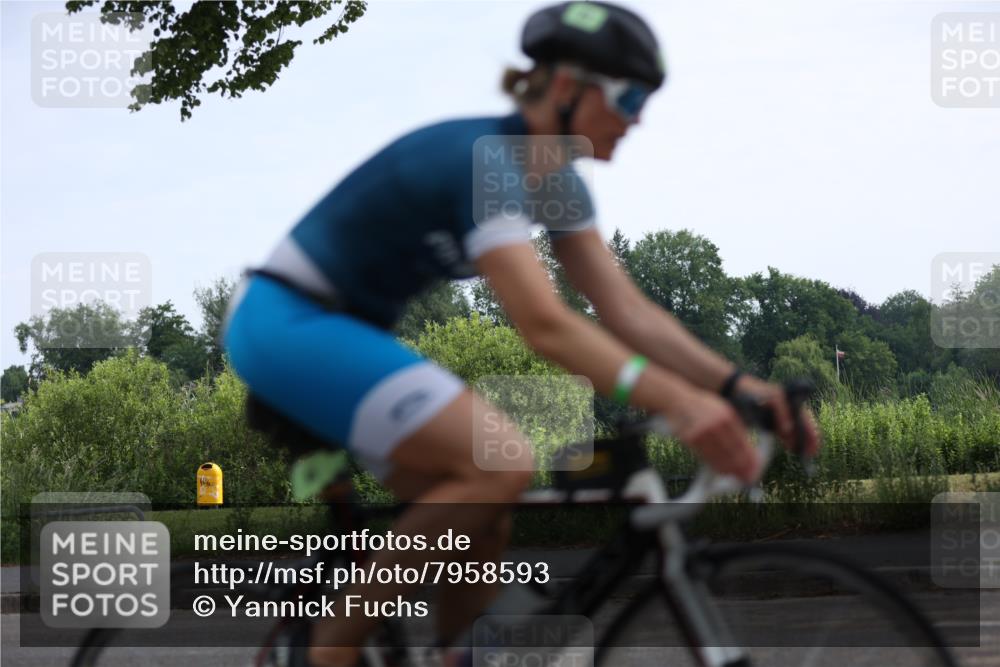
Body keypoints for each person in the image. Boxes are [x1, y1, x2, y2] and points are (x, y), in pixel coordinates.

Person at [222, 2, 820, 666]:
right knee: (497, 458)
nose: (639, 115)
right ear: (565, 87)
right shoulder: (488, 164)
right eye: (629, 94)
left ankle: (458, 654)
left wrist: (742, 388)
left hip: (344, 334)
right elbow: (545, 324)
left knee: (485, 509)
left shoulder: (555, 180)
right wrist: (680, 402)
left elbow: (627, 310)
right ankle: (323, 650)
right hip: (286, 322)